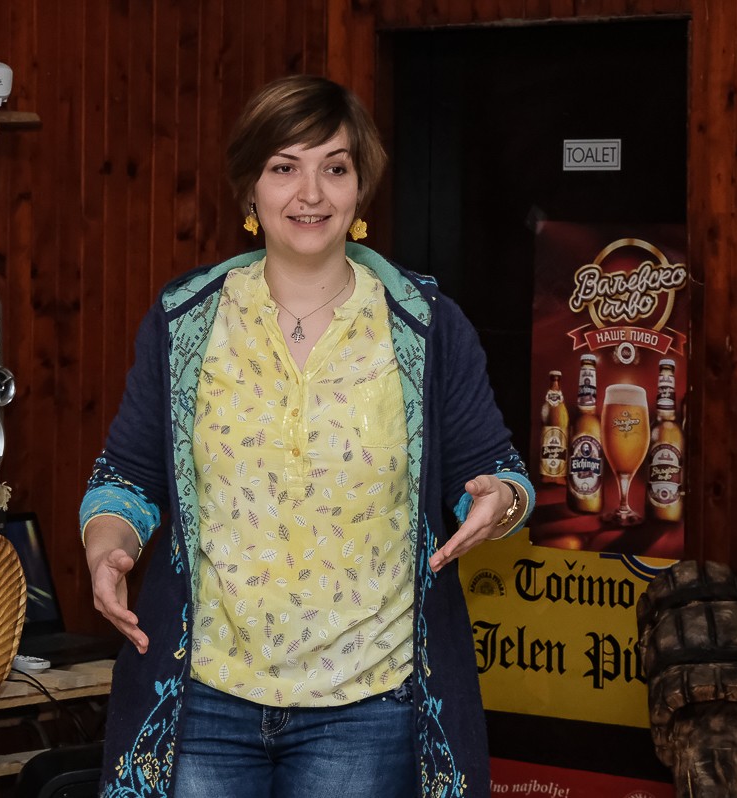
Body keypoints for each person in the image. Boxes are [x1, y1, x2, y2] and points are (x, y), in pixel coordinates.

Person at [79, 74, 534, 798]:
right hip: (202, 700)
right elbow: (127, 478)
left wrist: (498, 500)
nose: (311, 193)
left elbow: (497, 470)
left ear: (361, 188)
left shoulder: (425, 324)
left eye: (335, 167)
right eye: (284, 167)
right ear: (249, 189)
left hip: (368, 705)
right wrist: (109, 547)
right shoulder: (185, 320)